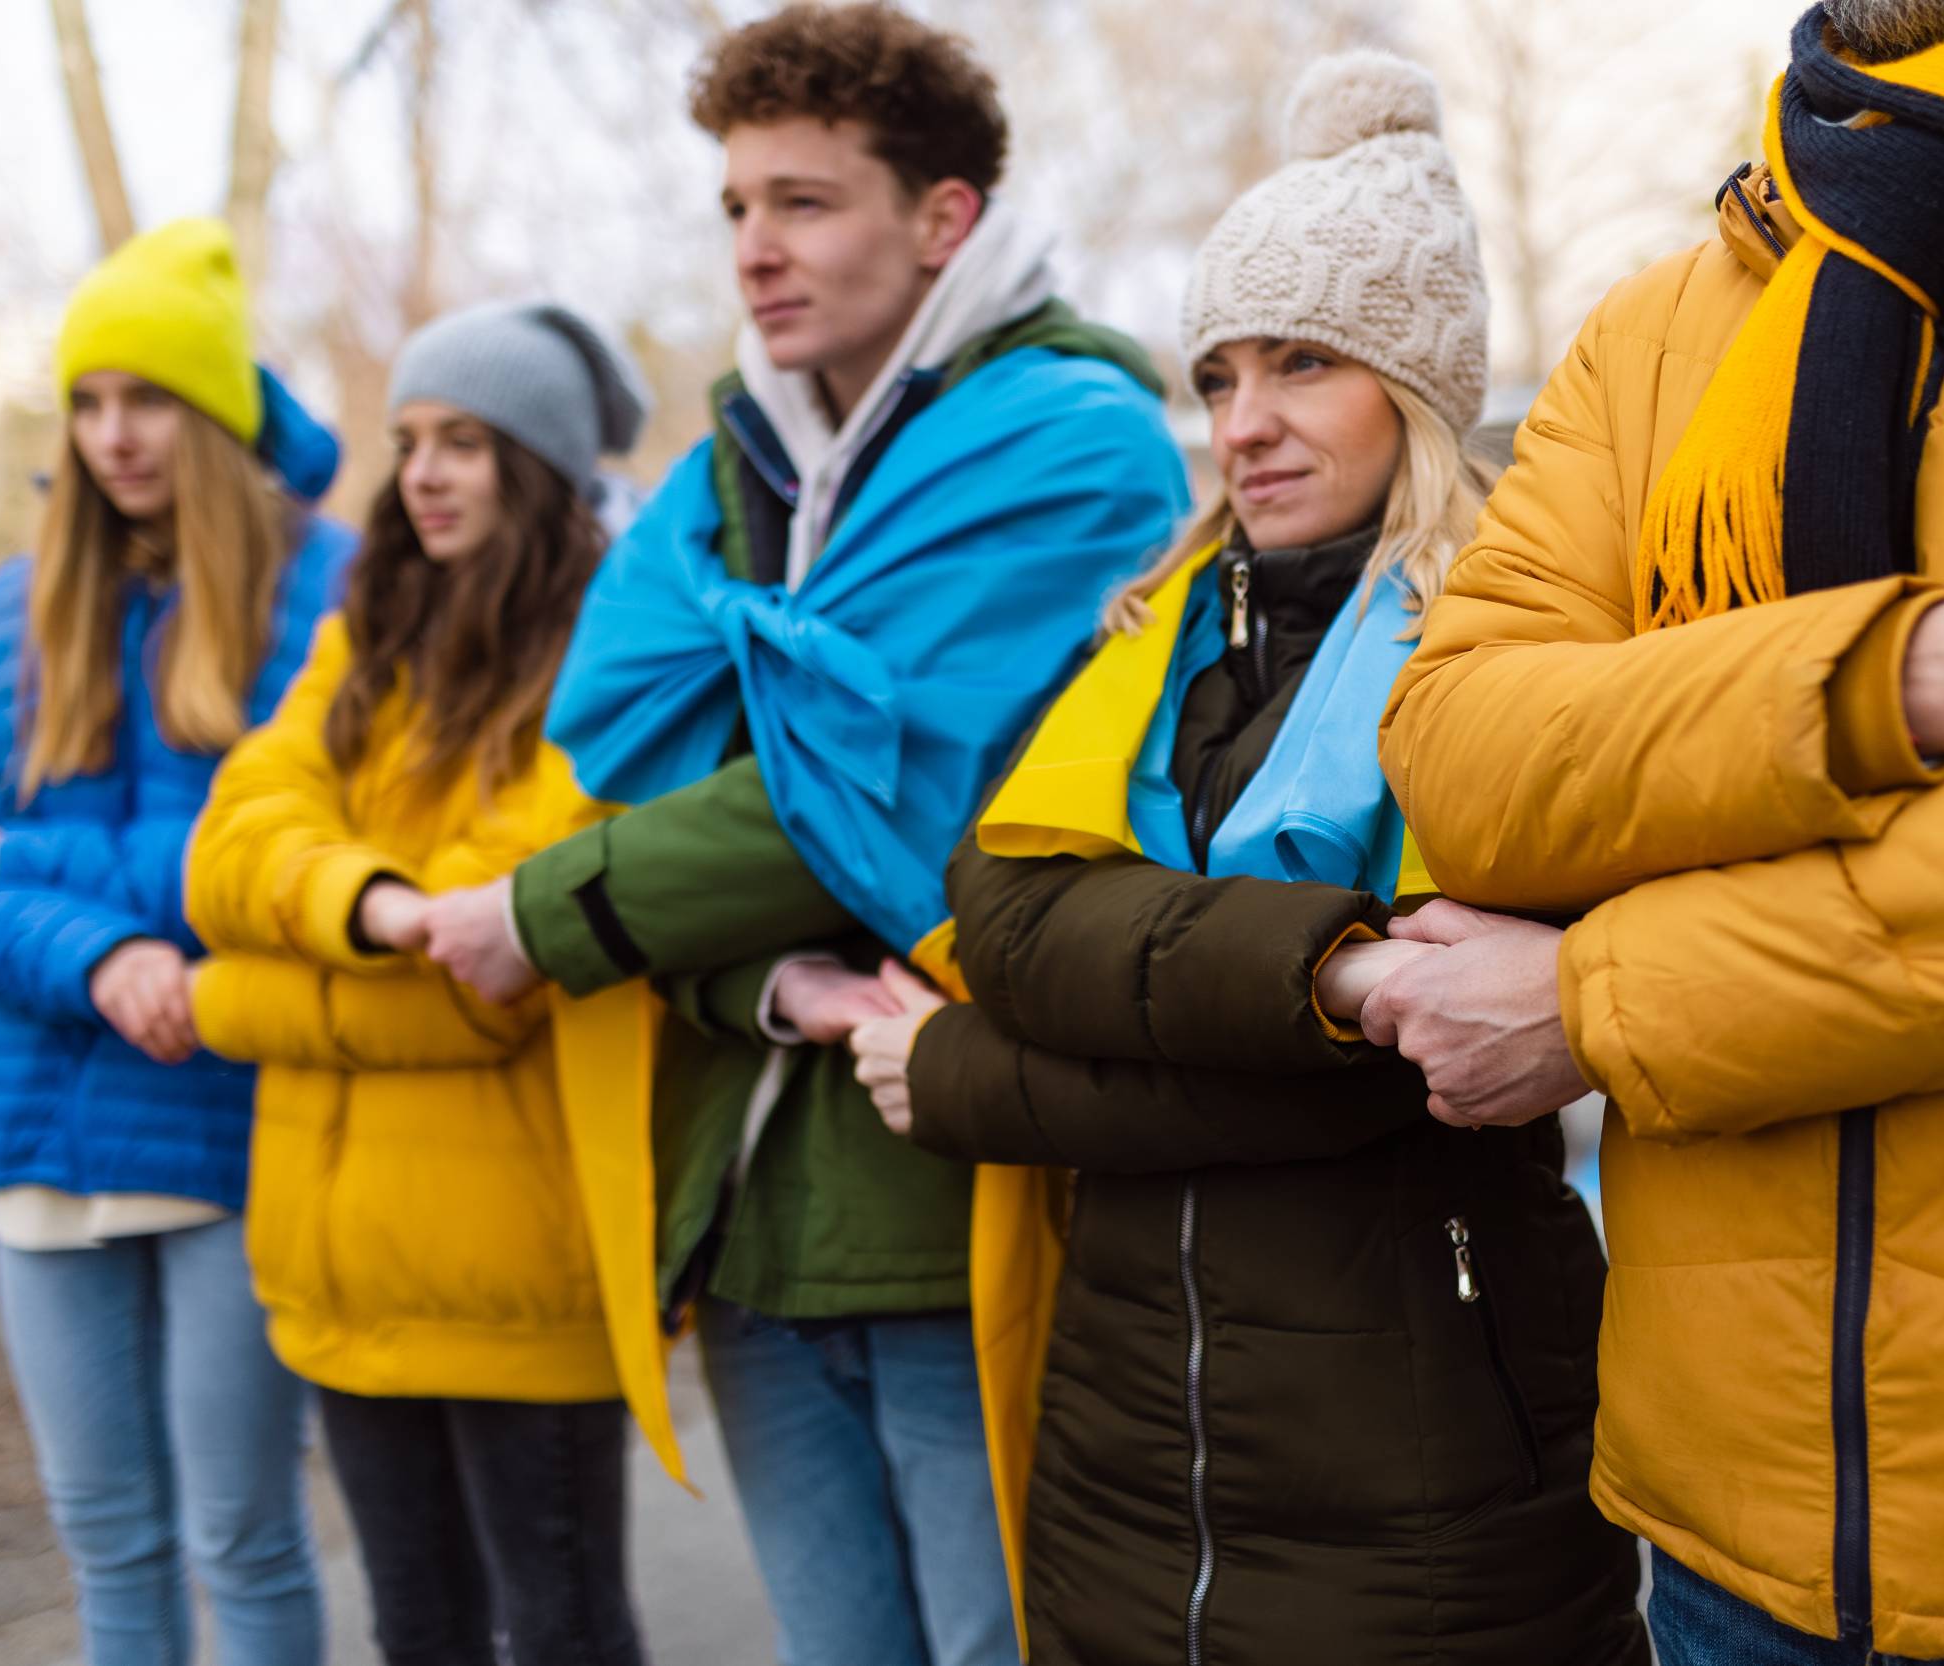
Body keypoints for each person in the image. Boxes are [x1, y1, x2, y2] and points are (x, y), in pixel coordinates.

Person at [1371, 2, 1944, 1661]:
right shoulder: (1670, 320)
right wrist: (1925, 676)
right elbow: (1464, 760)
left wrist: (1595, 995)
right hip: (1720, 1531)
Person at [843, 54, 1648, 1666]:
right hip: (1126, 1455)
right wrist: (1306, 968)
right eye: (1216, 376)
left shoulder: (1507, 650)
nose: (1245, 425)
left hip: (1426, 1469)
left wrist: (969, 1079)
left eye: (1302, 364)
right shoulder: (1158, 638)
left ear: (1411, 382)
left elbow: (1382, 1066)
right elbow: (1006, 909)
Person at [417, 8, 1190, 1662]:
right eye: (737, 209)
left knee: (1000, 1647)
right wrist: (770, 987)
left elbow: (858, 790)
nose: (758, 251)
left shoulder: (1071, 442)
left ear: (944, 217)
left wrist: (531, 915)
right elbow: (632, 765)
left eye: (807, 203)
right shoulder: (735, 468)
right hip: (747, 1191)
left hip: (946, 1175)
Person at [0, 217, 349, 1666]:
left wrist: (36, 860)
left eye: (147, 396)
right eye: (88, 401)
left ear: (216, 407)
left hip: (226, 1117)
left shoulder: (319, 588)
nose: (112, 435)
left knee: (246, 1533)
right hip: (41, 1131)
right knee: (108, 1536)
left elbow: (278, 853)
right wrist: (98, 957)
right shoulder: (16, 606)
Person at [182, 302, 654, 1666]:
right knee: (416, 1634)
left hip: (520, 1276)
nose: (426, 472)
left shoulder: (603, 664)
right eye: (409, 441)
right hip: (344, 1276)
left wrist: (223, 1000)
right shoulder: (362, 645)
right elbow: (230, 849)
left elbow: (479, 984)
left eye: (466, 440)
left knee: (561, 1633)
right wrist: (378, 902)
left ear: (542, 463)